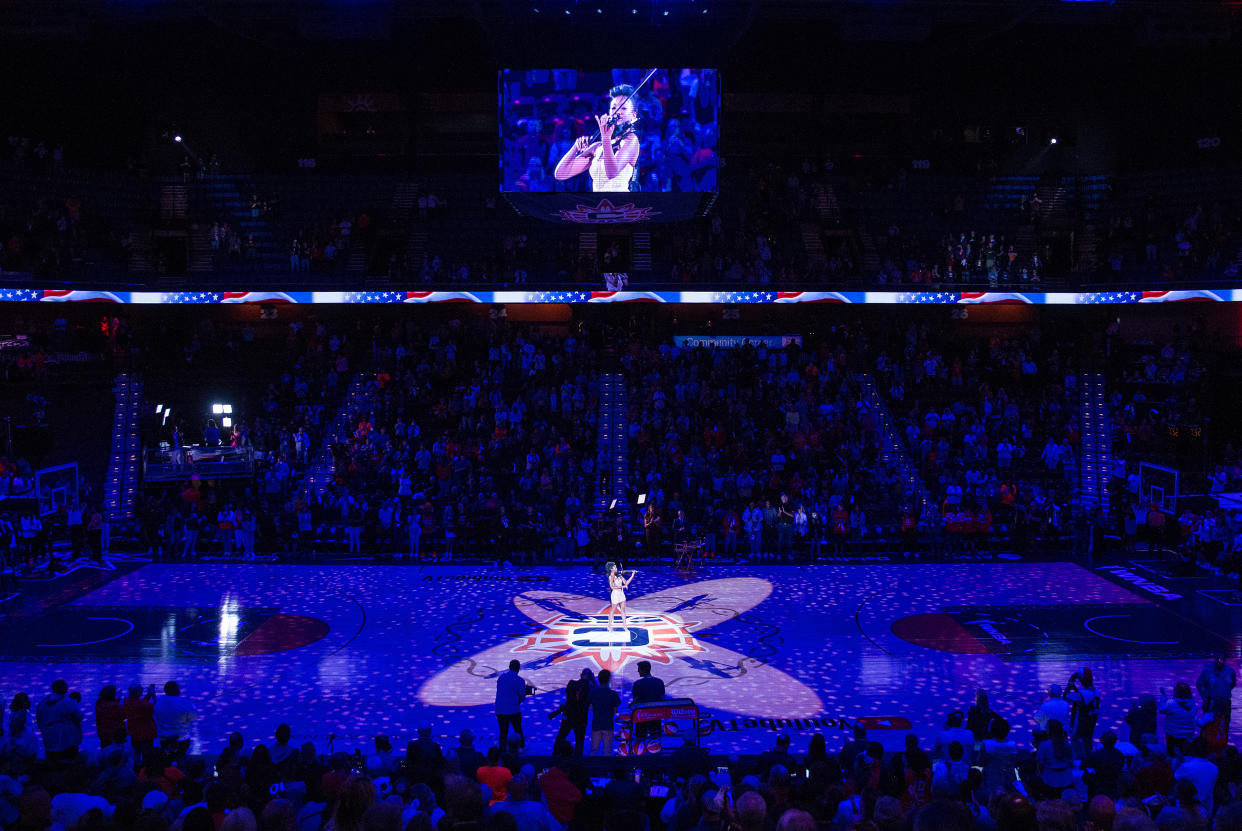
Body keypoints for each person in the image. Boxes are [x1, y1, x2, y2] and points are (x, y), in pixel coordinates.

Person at [552, 84, 641, 192]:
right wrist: (575, 147)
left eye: (624, 108)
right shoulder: (597, 147)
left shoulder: (631, 141)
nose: (617, 111)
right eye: (613, 108)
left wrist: (606, 139)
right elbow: (560, 174)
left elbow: (612, 173)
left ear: (633, 115)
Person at [35, 679, 82, 763]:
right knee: (69, 763)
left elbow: (38, 722)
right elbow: (79, 717)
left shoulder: (42, 703)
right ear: (65, 688)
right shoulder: (68, 702)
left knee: (52, 762)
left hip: (49, 736)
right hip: (68, 739)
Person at [550, 669, 593, 757]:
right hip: (581, 719)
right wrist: (593, 681)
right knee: (579, 742)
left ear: (581, 675)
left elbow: (568, 696)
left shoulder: (571, 683)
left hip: (568, 717)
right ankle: (577, 760)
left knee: (560, 738)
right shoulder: (590, 689)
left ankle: (555, 755)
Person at [153, 680, 196, 759]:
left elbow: (155, 717)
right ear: (177, 690)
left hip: (164, 738)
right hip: (181, 738)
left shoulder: (158, 703)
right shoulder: (185, 703)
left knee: (167, 758)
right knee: (179, 757)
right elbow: (193, 718)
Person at [495, 659, 529, 753]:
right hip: (513, 710)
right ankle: (521, 747)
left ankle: (502, 751)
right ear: (518, 669)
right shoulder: (520, 681)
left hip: (500, 709)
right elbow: (522, 698)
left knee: (503, 732)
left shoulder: (501, 678)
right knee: (518, 729)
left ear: (509, 667)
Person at [632, 660, 666, 743]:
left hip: (641, 716)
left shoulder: (638, 683)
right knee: (655, 741)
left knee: (640, 741)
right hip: (655, 715)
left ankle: (640, 754)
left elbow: (635, 701)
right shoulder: (659, 682)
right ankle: (656, 754)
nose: (637, 671)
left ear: (643, 670)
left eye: (639, 669)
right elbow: (662, 698)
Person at [588, 669, 620, 756]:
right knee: (607, 750)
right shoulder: (613, 694)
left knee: (594, 750)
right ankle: (606, 769)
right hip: (608, 725)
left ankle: (593, 768)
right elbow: (615, 710)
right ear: (609, 679)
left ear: (598, 678)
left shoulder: (593, 692)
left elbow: (591, 707)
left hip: (596, 724)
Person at [606, 561, 635, 631]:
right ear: (611, 569)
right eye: (615, 567)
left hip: (621, 594)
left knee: (623, 610)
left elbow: (626, 583)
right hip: (615, 595)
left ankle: (625, 626)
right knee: (613, 610)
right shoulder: (611, 577)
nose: (616, 568)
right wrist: (622, 586)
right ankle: (609, 625)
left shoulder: (619, 575)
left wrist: (632, 576)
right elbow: (612, 587)